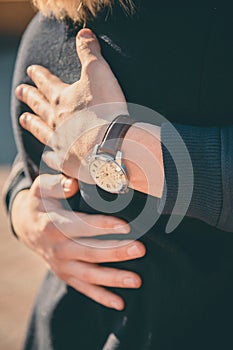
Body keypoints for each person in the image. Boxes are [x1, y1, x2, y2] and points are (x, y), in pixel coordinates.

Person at [4, 1, 233, 349]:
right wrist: (22, 203)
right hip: (67, 324)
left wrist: (119, 147)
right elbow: (52, 134)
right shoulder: (60, 13)